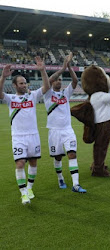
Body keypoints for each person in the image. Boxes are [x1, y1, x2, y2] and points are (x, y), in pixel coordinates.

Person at [0, 57, 50, 204]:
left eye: (25, 83)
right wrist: (3, 77)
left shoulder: (33, 96)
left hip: (33, 135)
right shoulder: (10, 99)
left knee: (33, 162)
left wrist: (43, 71)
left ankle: (29, 188)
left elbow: (46, 87)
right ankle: (23, 193)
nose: (24, 85)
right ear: (14, 85)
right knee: (20, 163)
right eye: (21, 83)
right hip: (18, 137)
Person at [44, 53, 86, 193]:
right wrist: (61, 68)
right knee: (58, 157)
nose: (58, 81)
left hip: (67, 130)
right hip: (54, 131)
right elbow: (49, 80)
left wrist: (68, 66)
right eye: (56, 80)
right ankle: (60, 178)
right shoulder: (47, 94)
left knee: (72, 154)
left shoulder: (65, 93)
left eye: (60, 80)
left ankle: (76, 184)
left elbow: (75, 82)